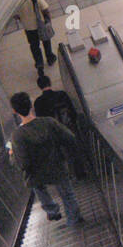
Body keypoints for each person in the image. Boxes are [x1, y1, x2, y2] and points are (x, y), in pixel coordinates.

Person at [9, 91, 82, 226]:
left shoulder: (17, 135)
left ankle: (52, 210)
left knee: (36, 185)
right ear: (31, 105)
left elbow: (23, 163)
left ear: (14, 111)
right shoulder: (48, 122)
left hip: (36, 174)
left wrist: (12, 156)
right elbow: (70, 138)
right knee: (67, 194)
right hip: (57, 166)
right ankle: (74, 220)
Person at [15, 0, 55, 73]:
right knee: (46, 42)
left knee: (34, 46)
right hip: (41, 25)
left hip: (28, 27)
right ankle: (50, 58)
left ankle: (39, 64)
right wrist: (48, 22)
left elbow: (16, 16)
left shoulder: (16, 1)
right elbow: (45, 9)